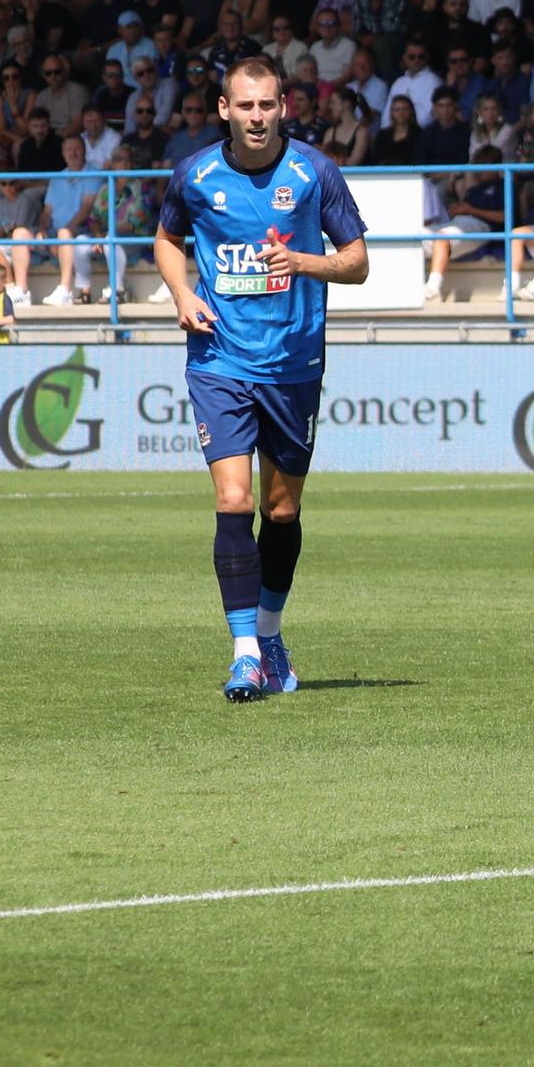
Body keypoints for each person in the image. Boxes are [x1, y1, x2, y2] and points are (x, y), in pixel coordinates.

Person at [151, 52, 370, 702]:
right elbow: (166, 239)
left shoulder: (313, 172)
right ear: (224, 109)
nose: (255, 116)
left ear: (283, 108)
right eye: (244, 105)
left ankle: (270, 634)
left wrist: (303, 261)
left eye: (266, 104)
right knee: (234, 501)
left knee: (281, 507)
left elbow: (357, 262)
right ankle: (244, 653)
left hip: (293, 362)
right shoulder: (195, 174)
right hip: (219, 358)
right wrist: (181, 294)